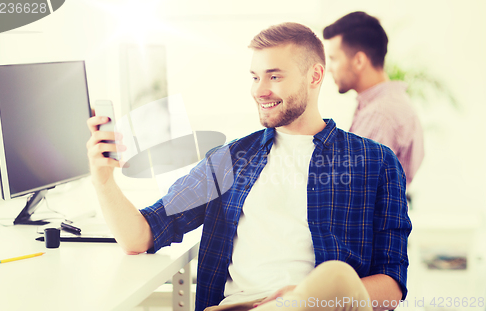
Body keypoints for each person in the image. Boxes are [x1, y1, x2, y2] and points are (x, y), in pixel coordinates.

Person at [86, 22, 411, 311]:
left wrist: (306, 299)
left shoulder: (376, 163)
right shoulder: (229, 160)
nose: (260, 90)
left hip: (326, 306)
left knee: (336, 276)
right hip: (237, 307)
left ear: (315, 76)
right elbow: (140, 236)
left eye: (274, 76)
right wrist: (103, 181)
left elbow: (392, 287)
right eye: (255, 77)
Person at [323, 11, 424, 187]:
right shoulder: (390, 103)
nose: (329, 69)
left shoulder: (379, 115)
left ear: (359, 61)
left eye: (333, 59)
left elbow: (350, 191)